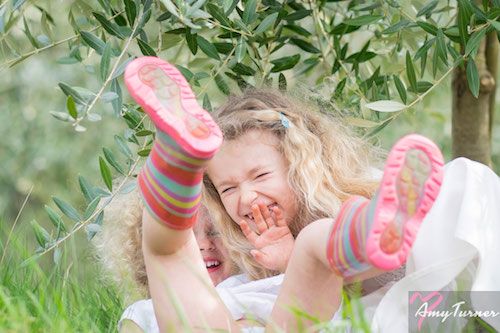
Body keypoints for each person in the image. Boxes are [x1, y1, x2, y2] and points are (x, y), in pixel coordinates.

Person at [121, 56, 454, 332]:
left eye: (261, 176)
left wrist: (287, 259)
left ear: (299, 167)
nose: (248, 198)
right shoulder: (228, 280)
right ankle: (365, 237)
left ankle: (172, 160)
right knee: (313, 242)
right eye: (229, 189)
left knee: (169, 251)